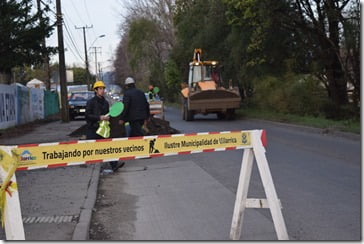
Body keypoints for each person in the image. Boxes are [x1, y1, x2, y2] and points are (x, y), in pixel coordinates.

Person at [85, 80, 125, 172]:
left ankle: (114, 164)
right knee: (92, 150)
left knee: (107, 147)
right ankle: (93, 170)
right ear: (95, 90)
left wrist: (107, 119)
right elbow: (87, 116)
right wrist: (99, 117)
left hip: (103, 129)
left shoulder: (106, 103)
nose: (102, 90)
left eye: (103, 88)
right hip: (93, 129)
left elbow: (107, 115)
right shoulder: (91, 102)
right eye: (100, 89)